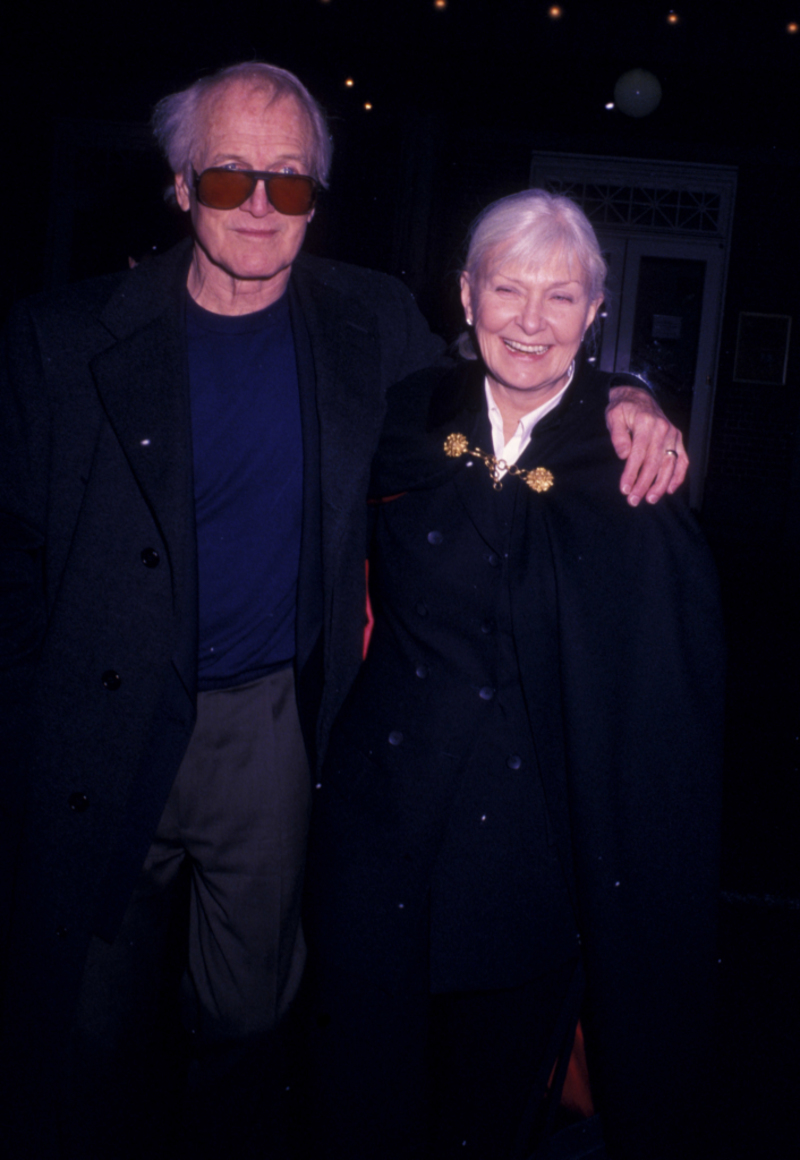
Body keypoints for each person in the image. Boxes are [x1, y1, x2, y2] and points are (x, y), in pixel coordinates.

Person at [0, 61, 683, 1158]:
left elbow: (511, 369)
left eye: (290, 181)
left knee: (251, 1018)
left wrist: (628, 392)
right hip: (98, 723)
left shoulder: (366, 323)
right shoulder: (59, 338)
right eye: (229, 180)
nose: (261, 208)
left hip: (271, 723)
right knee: (85, 1021)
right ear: (180, 187)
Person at [305, 191, 725, 1160]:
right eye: (505, 288)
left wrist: (625, 390)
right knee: (360, 1099)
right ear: (463, 293)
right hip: (379, 829)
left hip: (525, 860)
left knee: (487, 1120)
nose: (529, 320)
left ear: (592, 311)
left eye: (559, 294)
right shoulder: (403, 412)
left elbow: (668, 691)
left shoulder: (626, 468)